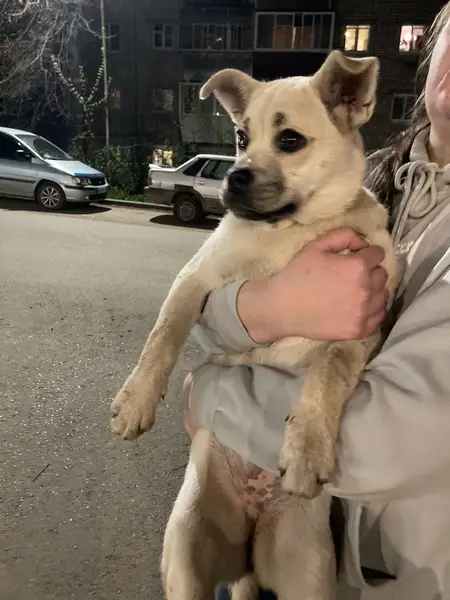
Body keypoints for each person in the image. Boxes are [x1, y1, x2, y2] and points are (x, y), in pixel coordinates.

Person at [184, 4, 450, 600]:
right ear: (435, 41)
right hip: (261, 517)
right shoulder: (354, 175)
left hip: (386, 579)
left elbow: (382, 444)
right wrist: (265, 308)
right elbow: (204, 301)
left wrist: (209, 394)